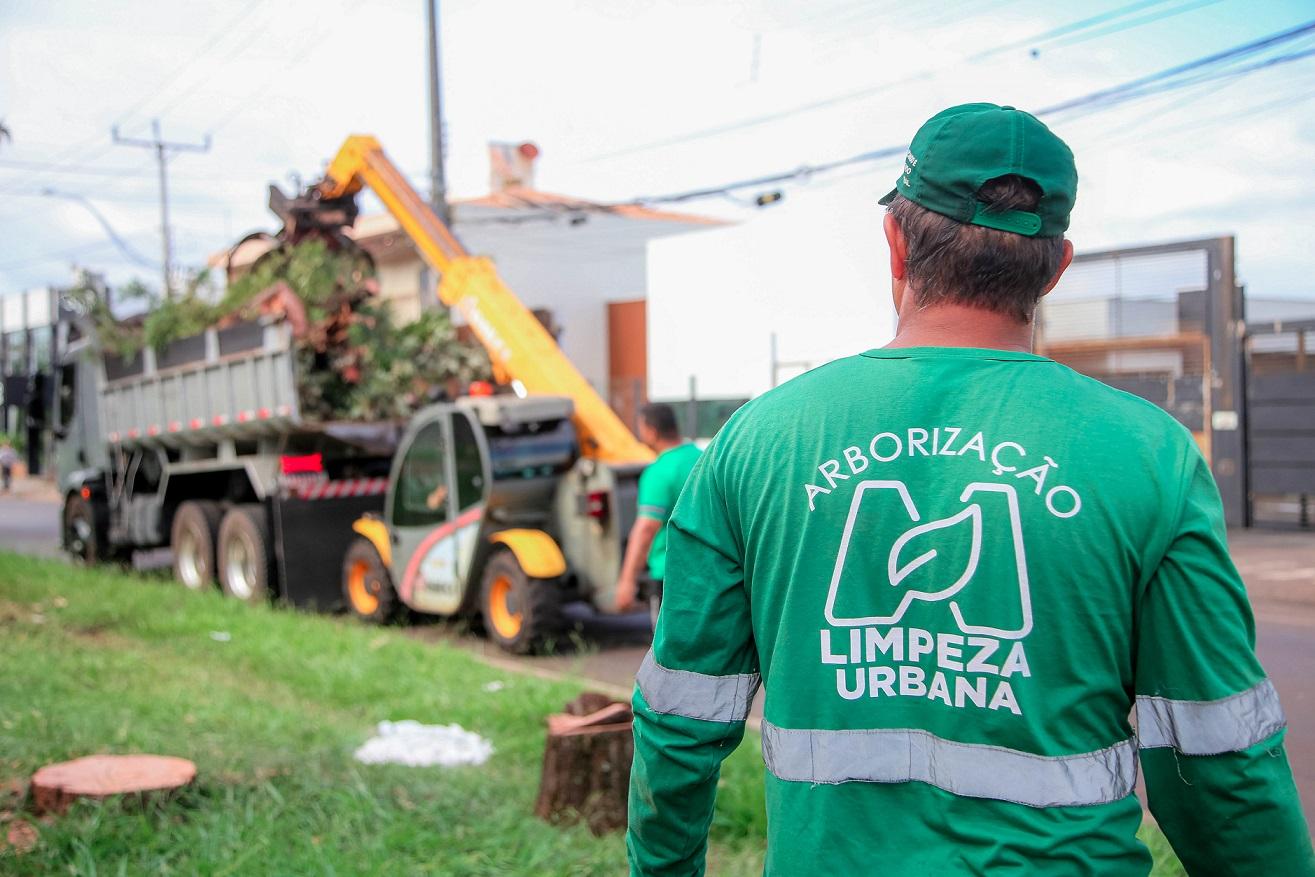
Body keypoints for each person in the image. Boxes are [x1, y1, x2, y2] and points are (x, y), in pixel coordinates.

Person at [627, 103, 1314, 876]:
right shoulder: (1148, 453)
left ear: (893, 242)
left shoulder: (756, 441)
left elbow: (678, 716)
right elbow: (1218, 753)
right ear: (1055, 266)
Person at [614, 403, 701, 620]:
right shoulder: (704, 458)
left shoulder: (658, 472)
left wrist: (627, 581)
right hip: (712, 569)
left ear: (651, 431)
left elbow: (646, 528)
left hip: (671, 576)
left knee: (667, 650)